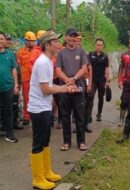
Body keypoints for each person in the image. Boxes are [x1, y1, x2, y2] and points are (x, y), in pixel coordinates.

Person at [28, 30, 76, 189]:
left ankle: (46, 172)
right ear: (47, 45)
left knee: (45, 141)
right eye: (55, 41)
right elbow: (44, 90)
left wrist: (63, 86)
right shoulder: (42, 63)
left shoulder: (49, 61)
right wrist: (63, 90)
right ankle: (37, 178)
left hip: (45, 107)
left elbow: (49, 86)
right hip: (38, 109)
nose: (58, 43)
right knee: (38, 143)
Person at [56, 28, 88, 151]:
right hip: (65, 88)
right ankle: (66, 142)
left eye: (74, 36)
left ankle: (81, 142)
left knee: (80, 116)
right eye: (70, 36)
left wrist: (74, 78)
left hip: (78, 88)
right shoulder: (61, 53)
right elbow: (58, 70)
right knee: (65, 116)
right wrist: (67, 80)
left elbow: (84, 68)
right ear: (66, 37)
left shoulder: (81, 52)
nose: (72, 39)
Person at [0, 31, 19, 143]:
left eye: (1, 39)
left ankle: (9, 134)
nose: (0, 41)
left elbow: (13, 70)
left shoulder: (10, 55)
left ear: (4, 40)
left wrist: (16, 84)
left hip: (8, 87)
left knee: (8, 111)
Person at [117, 34, 130, 127]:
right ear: (129, 43)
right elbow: (121, 68)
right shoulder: (124, 55)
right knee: (124, 100)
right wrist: (120, 80)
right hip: (127, 82)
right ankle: (121, 120)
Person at [17, 31, 37, 125]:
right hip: (25, 78)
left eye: (33, 41)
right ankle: (26, 116)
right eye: (31, 41)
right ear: (27, 41)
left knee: (36, 97)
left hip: (36, 79)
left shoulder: (37, 51)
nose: (32, 42)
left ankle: (36, 114)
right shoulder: (21, 52)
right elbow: (18, 64)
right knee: (26, 98)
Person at [88, 38, 110, 122]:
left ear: (103, 46)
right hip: (92, 79)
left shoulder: (105, 56)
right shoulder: (90, 54)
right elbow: (88, 67)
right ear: (95, 45)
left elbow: (107, 69)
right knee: (90, 97)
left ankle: (99, 114)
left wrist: (108, 81)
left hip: (101, 80)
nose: (99, 46)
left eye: (101, 45)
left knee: (101, 97)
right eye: (97, 45)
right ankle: (89, 115)